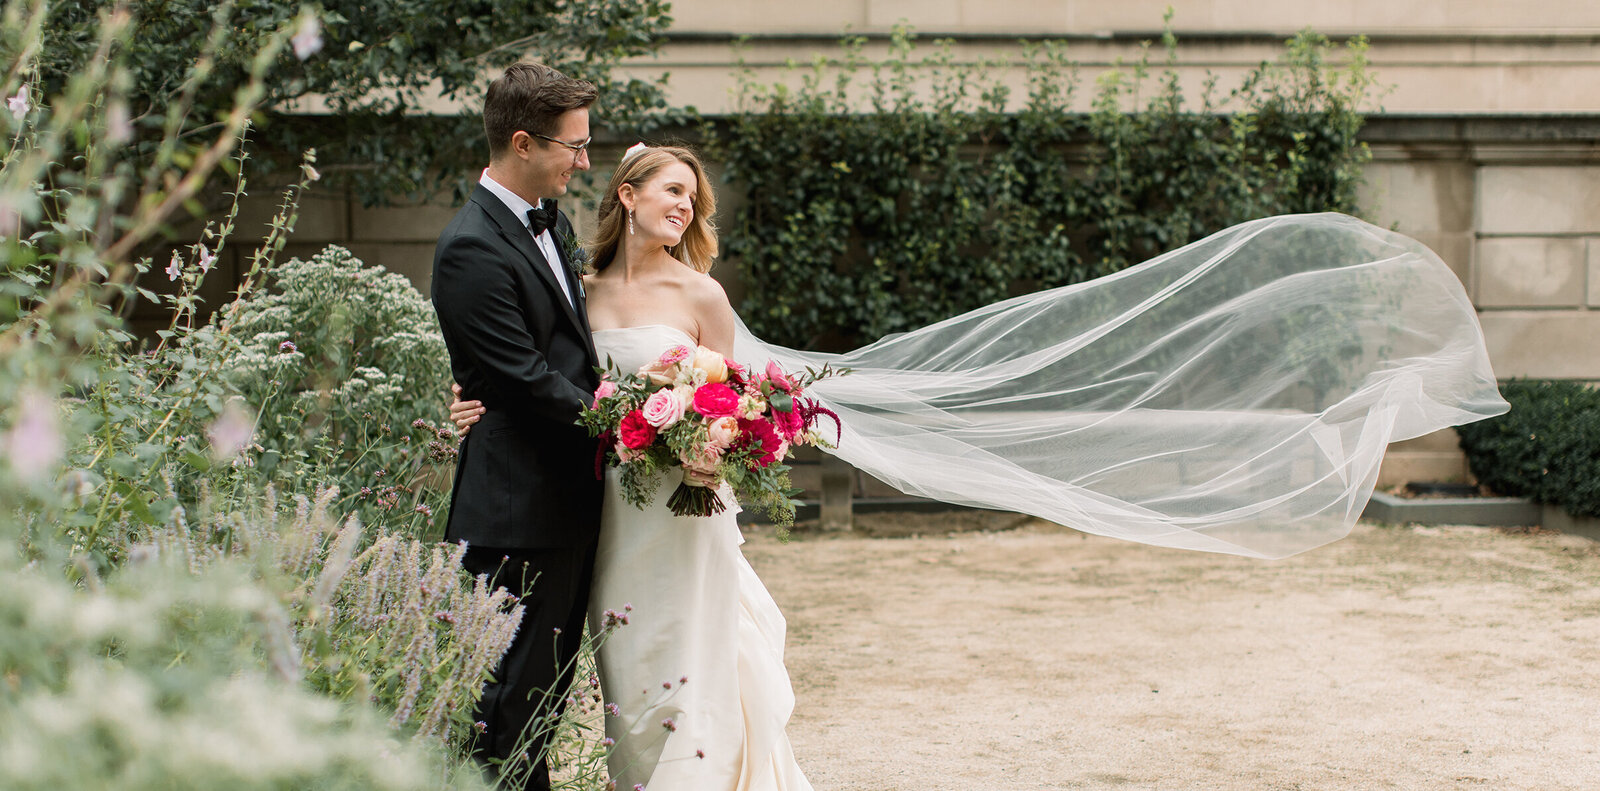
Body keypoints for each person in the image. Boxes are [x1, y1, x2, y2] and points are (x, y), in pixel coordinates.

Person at [452, 144, 816, 790]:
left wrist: (712, 449)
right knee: (630, 665)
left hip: (685, 509)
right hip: (608, 510)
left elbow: (732, 402)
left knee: (692, 664)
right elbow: (529, 372)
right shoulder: (577, 290)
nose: (685, 206)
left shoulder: (704, 295)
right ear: (628, 194)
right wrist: (468, 400)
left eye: (692, 199)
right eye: (672, 190)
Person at [430, 62, 603, 790]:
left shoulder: (552, 224)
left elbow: (571, 347)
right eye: (575, 145)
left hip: (562, 500)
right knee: (503, 708)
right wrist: (630, 421)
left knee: (544, 703)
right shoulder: (472, 245)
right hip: (514, 512)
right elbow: (524, 379)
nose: (586, 160)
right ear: (525, 142)